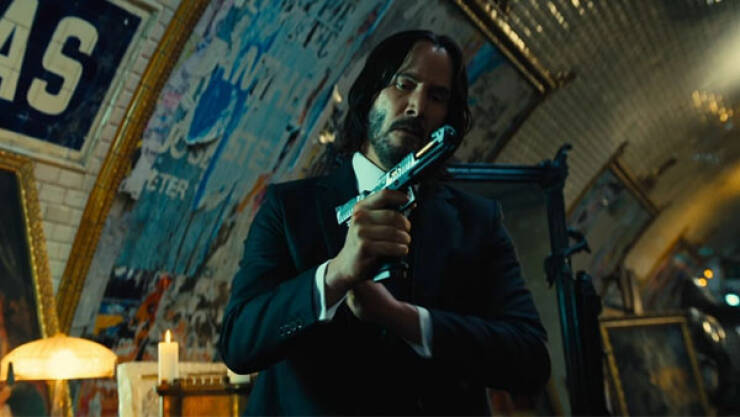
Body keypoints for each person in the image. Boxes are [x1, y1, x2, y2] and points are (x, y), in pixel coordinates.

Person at [219, 30, 550, 415]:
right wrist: (335, 275)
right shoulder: (289, 208)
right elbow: (239, 345)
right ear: (371, 93)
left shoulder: (478, 222)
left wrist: (405, 320)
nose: (417, 107)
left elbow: (531, 360)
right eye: (404, 84)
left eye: (437, 97)